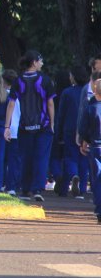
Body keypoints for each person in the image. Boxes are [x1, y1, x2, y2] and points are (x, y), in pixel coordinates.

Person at [4, 50, 56, 202]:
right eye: (40, 60)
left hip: (25, 126)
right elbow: (50, 103)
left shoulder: (18, 81)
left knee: (26, 157)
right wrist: (52, 123)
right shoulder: (45, 80)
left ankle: (25, 189)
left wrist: (6, 127)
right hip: (43, 126)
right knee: (41, 157)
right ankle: (37, 188)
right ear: (34, 62)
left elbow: (11, 104)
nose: (42, 63)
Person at [58, 67, 93, 199]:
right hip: (86, 127)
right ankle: (82, 189)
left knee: (70, 157)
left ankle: (72, 176)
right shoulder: (88, 92)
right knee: (83, 157)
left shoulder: (67, 92)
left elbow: (61, 114)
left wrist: (59, 132)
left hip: (69, 128)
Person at [78, 78, 101, 223]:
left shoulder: (91, 108)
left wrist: (84, 141)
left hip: (96, 147)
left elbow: (82, 129)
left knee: (97, 179)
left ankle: (99, 210)